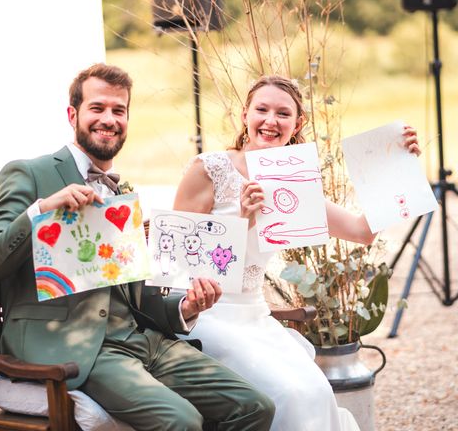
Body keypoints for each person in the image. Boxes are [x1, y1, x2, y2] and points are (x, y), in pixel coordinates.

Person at [0, 63, 275, 431]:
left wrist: (184, 307)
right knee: (181, 421)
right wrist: (43, 209)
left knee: (254, 406)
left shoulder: (122, 192)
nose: (109, 119)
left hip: (142, 340)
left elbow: (134, 295)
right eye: (97, 108)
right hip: (76, 348)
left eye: (119, 110)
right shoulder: (30, 174)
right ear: (73, 115)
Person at [173, 75, 421, 431]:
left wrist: (397, 169)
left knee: (317, 392)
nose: (270, 121)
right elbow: (180, 258)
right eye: (262, 109)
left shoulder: (294, 181)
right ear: (245, 115)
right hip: (207, 314)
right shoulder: (210, 170)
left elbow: (360, 231)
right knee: (289, 393)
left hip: (254, 317)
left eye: (282, 113)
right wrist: (243, 220)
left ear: (297, 123)